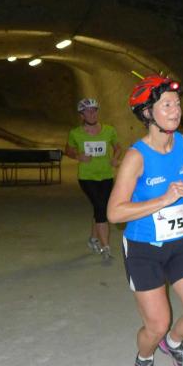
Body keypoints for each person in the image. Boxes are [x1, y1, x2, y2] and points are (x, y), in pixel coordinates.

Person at [107, 75, 183, 366]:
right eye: (166, 105)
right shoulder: (136, 157)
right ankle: (144, 358)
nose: (175, 110)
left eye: (177, 104)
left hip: (181, 243)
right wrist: (162, 200)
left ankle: (174, 342)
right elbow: (115, 212)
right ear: (147, 113)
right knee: (156, 325)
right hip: (144, 249)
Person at [65, 98, 123, 258]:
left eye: (94, 110)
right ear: (82, 115)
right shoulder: (75, 133)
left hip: (106, 175)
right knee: (100, 207)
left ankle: (93, 239)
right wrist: (78, 156)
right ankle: (106, 247)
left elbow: (118, 147)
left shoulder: (109, 130)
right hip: (87, 177)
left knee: (100, 208)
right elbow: (68, 150)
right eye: (88, 111)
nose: (92, 113)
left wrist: (115, 158)